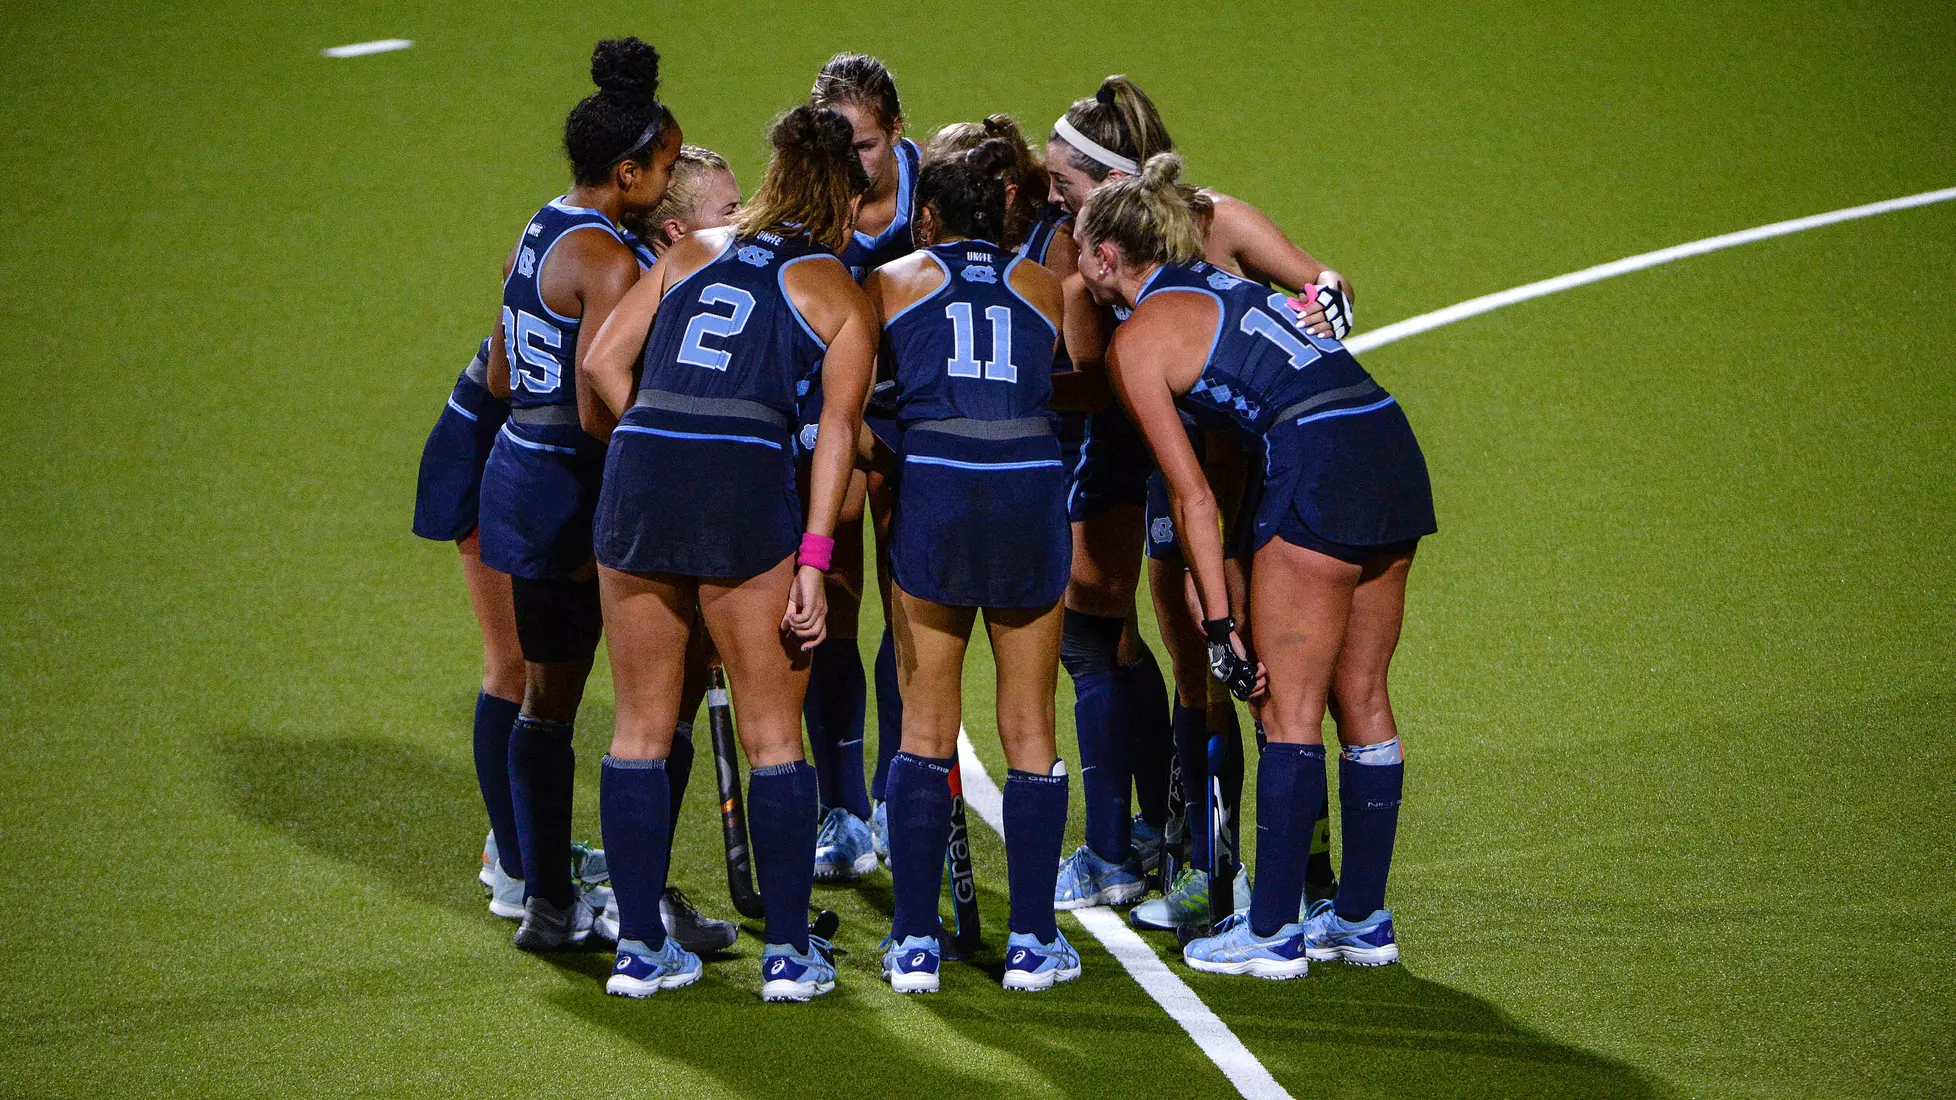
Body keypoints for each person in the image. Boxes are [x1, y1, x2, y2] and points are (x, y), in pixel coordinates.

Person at [1076, 153, 1433, 977]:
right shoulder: (1223, 284)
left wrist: (1220, 625)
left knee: (1285, 711)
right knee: (1365, 696)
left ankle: (1272, 932)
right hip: (1389, 442)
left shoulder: (1138, 342)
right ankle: (1361, 919)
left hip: (1319, 468)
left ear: (1106, 258)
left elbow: (1193, 497)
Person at [581, 105, 876, 1000]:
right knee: (772, 732)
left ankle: (637, 951)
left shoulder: (690, 247)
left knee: (638, 726)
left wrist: (659, 442)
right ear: (846, 197)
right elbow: (836, 436)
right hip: (743, 488)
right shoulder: (839, 292)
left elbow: (601, 365)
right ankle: (789, 954)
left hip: (641, 475)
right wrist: (816, 560)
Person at [1042, 75, 1352, 911]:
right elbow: (1097, 379)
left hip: (1249, 485)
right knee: (1201, 673)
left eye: (1062, 182)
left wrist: (1325, 311)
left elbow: (1325, 285)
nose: (1049, 196)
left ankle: (1304, 884)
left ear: (1109, 185)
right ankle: (1206, 870)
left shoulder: (1218, 221)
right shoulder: (1083, 260)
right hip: (1176, 483)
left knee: (1264, 678)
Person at [475, 37, 684, 952]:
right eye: (667, 170)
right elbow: (606, 409)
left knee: (544, 699)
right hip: (573, 489)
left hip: (518, 474)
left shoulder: (543, 221)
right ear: (629, 171)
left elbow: (494, 374)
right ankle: (638, 899)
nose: (673, 186)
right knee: (647, 704)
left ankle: (546, 899)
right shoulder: (610, 261)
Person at [868, 140, 1079, 994]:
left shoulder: (892, 280)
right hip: (1030, 484)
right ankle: (1031, 941)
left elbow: (874, 386)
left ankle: (916, 942)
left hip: (943, 483)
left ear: (927, 219)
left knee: (925, 724)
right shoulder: (1044, 286)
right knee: (1029, 723)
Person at [586, 144, 745, 955]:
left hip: (649, 514)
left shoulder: (683, 271)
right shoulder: (667, 282)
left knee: (663, 716)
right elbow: (603, 364)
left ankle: (636, 895)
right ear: (678, 227)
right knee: (649, 717)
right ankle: (630, 904)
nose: (742, 220)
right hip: (652, 524)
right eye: (728, 210)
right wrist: (650, 441)